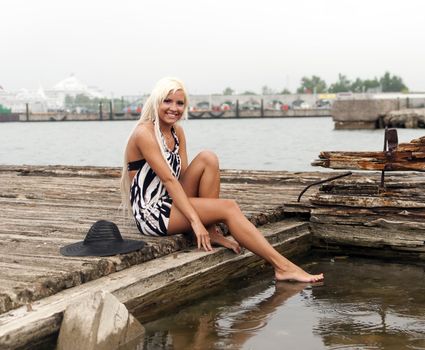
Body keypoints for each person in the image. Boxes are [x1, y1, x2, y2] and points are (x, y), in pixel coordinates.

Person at [120, 77, 323, 283]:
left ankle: (212, 231)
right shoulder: (144, 133)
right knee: (228, 207)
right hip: (152, 214)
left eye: (180, 103)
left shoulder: (177, 132)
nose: (174, 108)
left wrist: (202, 217)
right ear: (156, 102)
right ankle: (283, 267)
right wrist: (195, 221)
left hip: (170, 201)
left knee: (208, 157)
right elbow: (169, 181)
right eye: (168, 101)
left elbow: (182, 177)